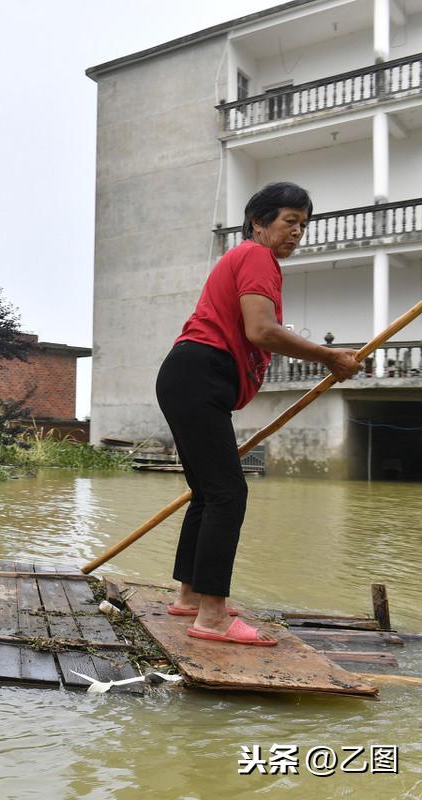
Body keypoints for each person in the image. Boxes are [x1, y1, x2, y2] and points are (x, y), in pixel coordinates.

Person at [156, 182, 361, 646]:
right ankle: (211, 618)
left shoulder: (250, 260)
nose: (297, 233)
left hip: (188, 375)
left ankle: (189, 597)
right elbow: (262, 331)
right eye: (290, 221)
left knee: (209, 493)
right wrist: (328, 356)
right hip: (198, 373)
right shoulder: (255, 256)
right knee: (228, 493)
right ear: (259, 222)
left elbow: (256, 333)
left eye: (303, 226)